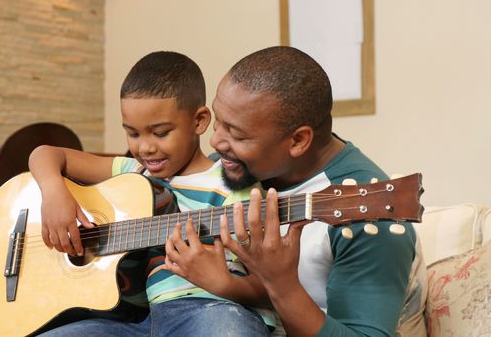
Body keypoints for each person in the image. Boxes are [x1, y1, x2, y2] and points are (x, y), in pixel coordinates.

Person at [0, 51, 273, 337]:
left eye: (161, 133)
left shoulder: (234, 188)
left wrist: (224, 284)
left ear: (200, 121)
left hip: (209, 309)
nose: (145, 147)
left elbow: (270, 287)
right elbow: (45, 153)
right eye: (132, 133)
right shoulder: (133, 173)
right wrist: (54, 194)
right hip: (134, 321)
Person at [164, 46, 427, 337]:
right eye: (218, 122)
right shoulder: (233, 170)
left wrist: (281, 283)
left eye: (237, 134)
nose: (215, 141)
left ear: (298, 140)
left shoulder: (369, 214)